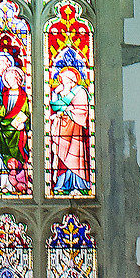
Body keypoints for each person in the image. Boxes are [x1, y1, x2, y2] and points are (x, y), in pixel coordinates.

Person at [0, 39, 31, 195]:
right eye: (8, 79)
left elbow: (26, 111)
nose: (9, 80)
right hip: (4, 130)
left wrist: (22, 123)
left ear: (18, 79)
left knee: (18, 155)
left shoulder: (23, 95)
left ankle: (20, 181)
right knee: (0, 155)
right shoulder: (3, 92)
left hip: (17, 131)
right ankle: (2, 183)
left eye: (12, 78)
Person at [49, 47, 91, 194]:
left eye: (65, 79)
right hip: (63, 128)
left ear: (72, 80)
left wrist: (66, 110)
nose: (63, 82)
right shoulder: (63, 91)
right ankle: (62, 183)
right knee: (62, 157)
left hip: (75, 129)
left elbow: (81, 110)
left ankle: (79, 184)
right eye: (61, 79)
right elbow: (55, 105)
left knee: (75, 157)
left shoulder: (80, 91)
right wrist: (56, 93)